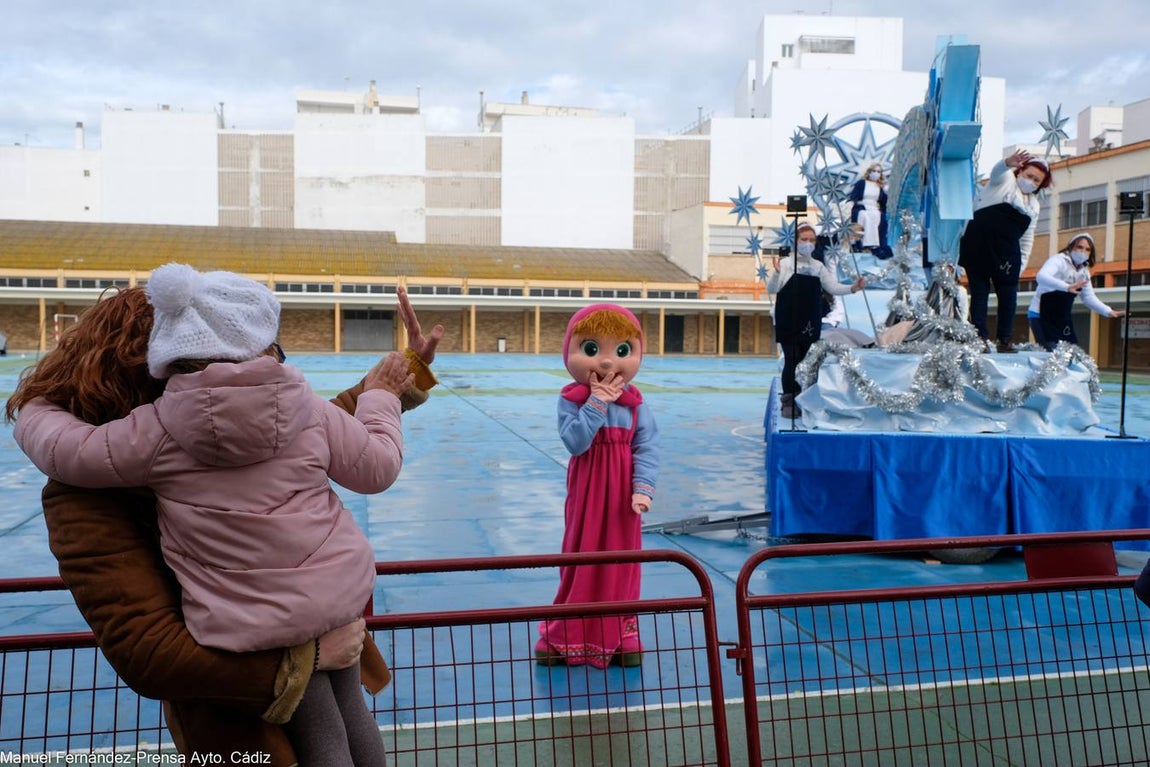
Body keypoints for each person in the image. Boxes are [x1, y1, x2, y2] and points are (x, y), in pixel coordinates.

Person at [8, 268, 443, 765]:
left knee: (326, 735)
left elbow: (68, 448)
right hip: (317, 627)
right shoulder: (297, 408)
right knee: (349, 726)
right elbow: (148, 649)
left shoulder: (149, 435)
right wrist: (309, 659)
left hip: (249, 627)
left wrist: (36, 407)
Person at [535, 304, 659, 668]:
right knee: (580, 555)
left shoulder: (636, 405)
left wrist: (642, 488)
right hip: (588, 491)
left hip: (623, 497)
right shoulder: (571, 400)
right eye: (592, 349)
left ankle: (621, 632)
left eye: (621, 350)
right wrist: (596, 404)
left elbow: (647, 445)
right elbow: (575, 442)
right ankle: (566, 632)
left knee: (623, 559)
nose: (607, 361)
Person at [958, 149, 1052, 353]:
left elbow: (1027, 238)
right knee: (979, 294)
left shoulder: (1034, 206)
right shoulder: (1005, 181)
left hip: (1007, 254)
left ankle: (1004, 340)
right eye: (1029, 175)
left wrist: (1022, 264)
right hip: (979, 246)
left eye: (1036, 180)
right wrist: (1007, 162)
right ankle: (979, 338)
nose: (1031, 181)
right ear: (1020, 171)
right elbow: (997, 172)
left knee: (1008, 298)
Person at [769, 222, 866, 419]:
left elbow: (832, 287)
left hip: (809, 320)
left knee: (807, 360)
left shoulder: (817, 266)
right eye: (804, 239)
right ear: (796, 241)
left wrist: (853, 288)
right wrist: (777, 273)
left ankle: (805, 398)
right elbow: (772, 289)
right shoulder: (786, 264)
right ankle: (789, 401)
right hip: (788, 319)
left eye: (812, 240)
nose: (808, 243)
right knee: (791, 359)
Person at [1027, 232, 1124, 350]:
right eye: (1079, 247)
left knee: (1068, 352)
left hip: (1061, 316)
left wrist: (1108, 311)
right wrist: (1066, 287)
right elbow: (1041, 276)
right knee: (1052, 351)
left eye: (1087, 249)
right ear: (1071, 247)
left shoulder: (1084, 272)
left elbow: (1088, 297)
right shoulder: (1058, 260)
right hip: (1040, 313)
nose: (1083, 252)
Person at [849, 162, 892, 259]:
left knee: (878, 216)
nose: (876, 173)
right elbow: (854, 197)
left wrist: (886, 189)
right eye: (874, 171)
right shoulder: (861, 183)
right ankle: (864, 244)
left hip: (874, 208)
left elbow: (884, 201)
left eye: (878, 172)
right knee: (865, 216)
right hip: (861, 206)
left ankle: (875, 245)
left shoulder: (880, 186)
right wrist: (854, 203)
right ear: (869, 172)